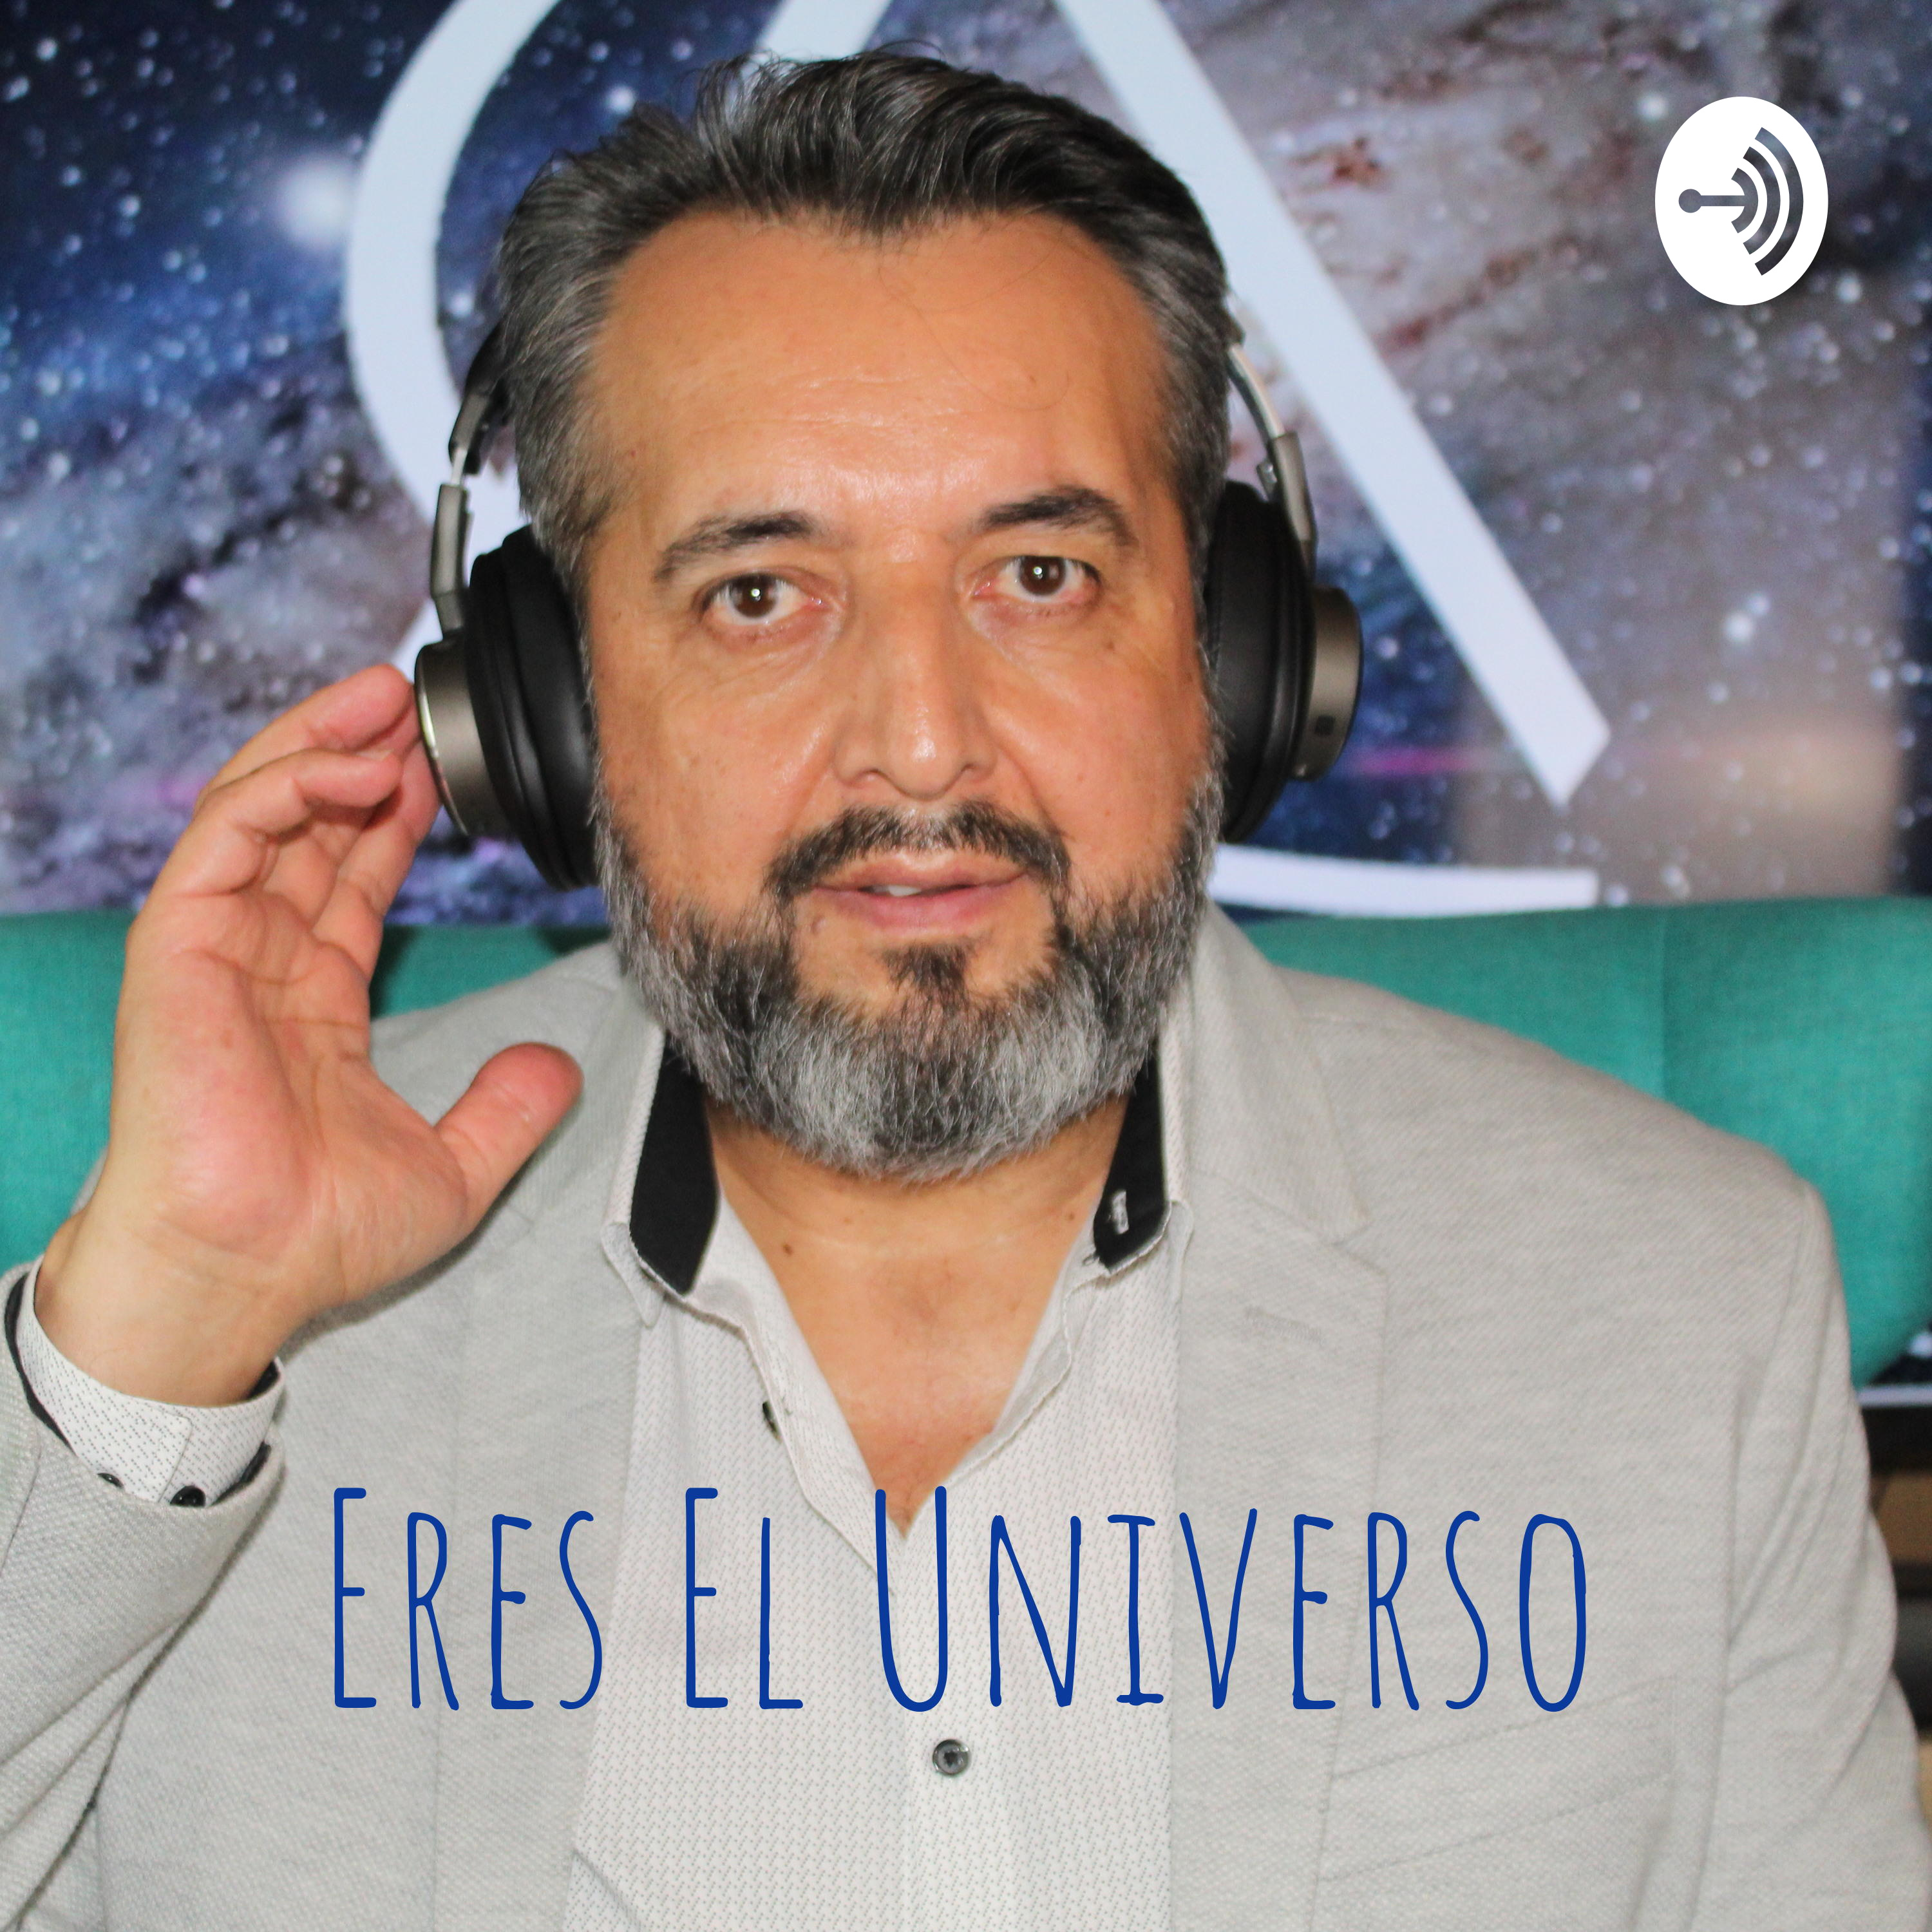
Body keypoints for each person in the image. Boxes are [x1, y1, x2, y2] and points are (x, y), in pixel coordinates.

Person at [1, 51, 1926, 1932]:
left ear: (1235, 656)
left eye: (1041, 576)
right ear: (554, 709)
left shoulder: (1688, 1307)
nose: (921, 744)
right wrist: (161, 1339)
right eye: (761, 594)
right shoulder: (217, 1324)